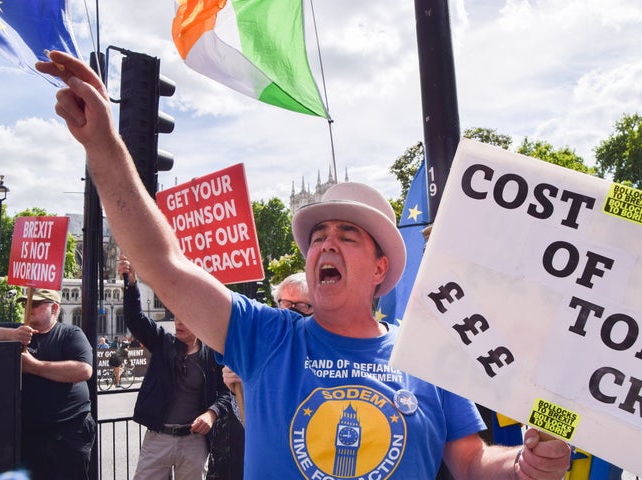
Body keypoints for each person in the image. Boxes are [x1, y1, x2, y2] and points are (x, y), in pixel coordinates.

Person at [37, 51, 571, 479]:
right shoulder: (268, 336)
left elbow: (473, 464)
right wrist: (103, 143)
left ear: (382, 270)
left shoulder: (430, 353)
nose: (326, 245)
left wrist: (525, 466)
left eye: (347, 235)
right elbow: (163, 263)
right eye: (318, 237)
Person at [118, 256, 231, 479]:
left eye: (185, 318)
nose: (178, 322)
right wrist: (131, 285)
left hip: (194, 442)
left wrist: (212, 414)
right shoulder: (162, 342)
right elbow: (135, 319)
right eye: (176, 317)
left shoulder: (213, 354)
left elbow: (226, 393)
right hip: (158, 439)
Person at [0, 288, 95, 480]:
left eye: (36, 304)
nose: (28, 309)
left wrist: (34, 366)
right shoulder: (18, 330)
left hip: (68, 433)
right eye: (26, 304)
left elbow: (84, 370)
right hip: (29, 435)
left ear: (55, 308)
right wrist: (12, 334)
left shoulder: (69, 334)